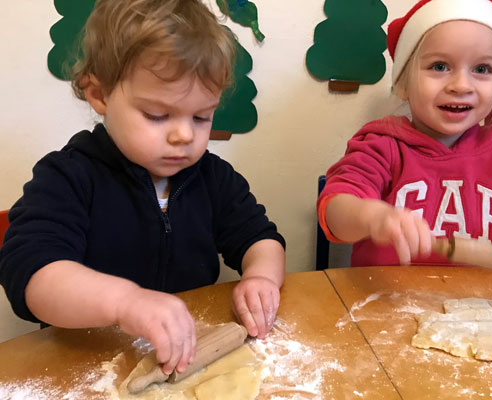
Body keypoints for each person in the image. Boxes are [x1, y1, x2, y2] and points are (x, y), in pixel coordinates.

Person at [0, 0, 285, 376]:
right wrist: (124, 302)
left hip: (183, 359)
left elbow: (261, 238)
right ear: (100, 95)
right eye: (157, 115)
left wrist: (261, 277)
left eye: (201, 117)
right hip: (87, 366)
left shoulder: (213, 178)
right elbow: (32, 275)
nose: (184, 134)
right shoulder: (68, 178)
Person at [317, 0, 492, 278]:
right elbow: (336, 209)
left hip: (481, 311)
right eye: (440, 66)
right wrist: (373, 217)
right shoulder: (380, 146)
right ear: (403, 83)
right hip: (385, 309)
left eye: (482, 69)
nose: (461, 86)